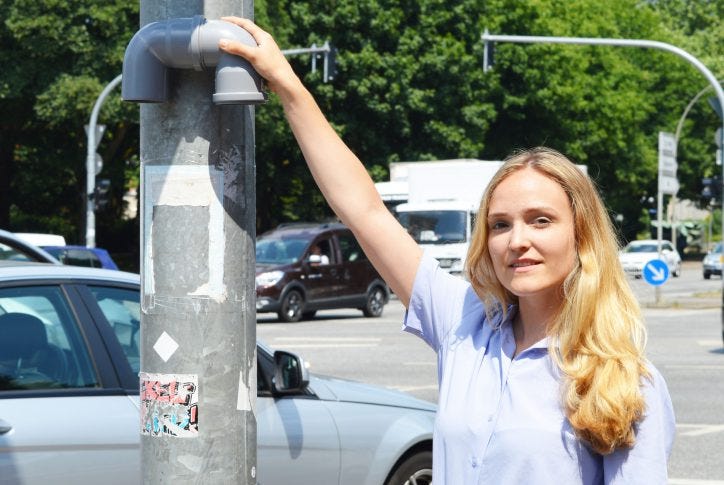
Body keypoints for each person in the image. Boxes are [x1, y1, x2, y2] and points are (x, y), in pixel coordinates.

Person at [219, 17, 675, 483]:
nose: (517, 240)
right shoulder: (464, 324)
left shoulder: (626, 382)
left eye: (541, 220)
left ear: (582, 237)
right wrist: (288, 85)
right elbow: (365, 211)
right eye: (500, 225)